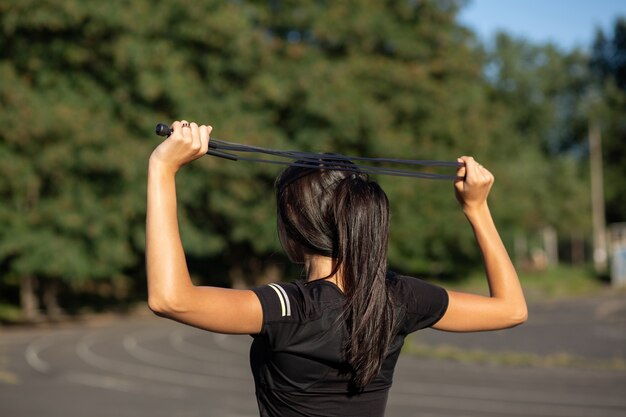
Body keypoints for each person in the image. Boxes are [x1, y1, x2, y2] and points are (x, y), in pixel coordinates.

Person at [146, 120, 528, 417]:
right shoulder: (399, 297)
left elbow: (171, 299)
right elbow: (512, 309)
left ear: (293, 225)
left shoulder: (289, 309)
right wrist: (477, 210)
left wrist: (163, 169)